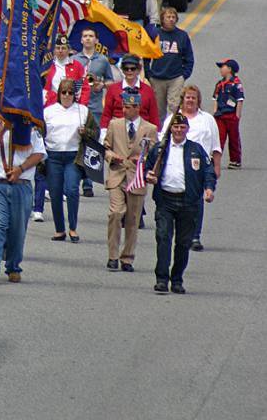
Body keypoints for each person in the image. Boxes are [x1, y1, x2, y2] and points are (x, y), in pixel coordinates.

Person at [145, 113, 216, 294]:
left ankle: (177, 279)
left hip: (188, 201)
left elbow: (208, 171)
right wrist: (148, 175)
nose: (178, 130)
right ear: (171, 129)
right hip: (165, 200)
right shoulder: (160, 149)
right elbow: (147, 167)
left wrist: (209, 188)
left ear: (187, 129)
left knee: (183, 243)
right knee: (163, 238)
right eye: (175, 127)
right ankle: (161, 279)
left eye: (182, 127)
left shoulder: (196, 150)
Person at [0, 117, 46, 283]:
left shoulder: (30, 128)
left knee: (17, 229)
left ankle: (13, 266)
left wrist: (20, 169)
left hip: (21, 185)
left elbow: (39, 154)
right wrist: (3, 130)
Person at [103, 91, 157, 271]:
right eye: (124, 107)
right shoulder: (114, 124)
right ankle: (112, 255)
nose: (125, 111)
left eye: (128, 107)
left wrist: (144, 161)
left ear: (137, 108)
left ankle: (127, 257)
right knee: (116, 213)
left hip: (136, 177)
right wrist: (112, 157)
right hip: (117, 175)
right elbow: (106, 147)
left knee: (132, 219)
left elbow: (155, 155)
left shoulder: (149, 129)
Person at [163, 85, 221, 252]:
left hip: (200, 164)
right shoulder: (173, 118)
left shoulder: (207, 119)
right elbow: (162, 143)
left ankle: (195, 235)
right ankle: (182, 232)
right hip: (177, 163)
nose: (190, 100)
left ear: (198, 100)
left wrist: (216, 166)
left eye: (193, 97)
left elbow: (216, 145)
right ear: (182, 99)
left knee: (196, 200)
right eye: (187, 97)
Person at [43, 78, 98, 243]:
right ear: (59, 94)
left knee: (73, 190)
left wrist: (85, 131)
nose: (67, 96)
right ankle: (60, 229)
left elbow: (95, 132)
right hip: (53, 156)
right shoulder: (49, 111)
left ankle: (73, 227)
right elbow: (40, 132)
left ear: (75, 95)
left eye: (70, 93)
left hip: (73, 156)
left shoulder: (83, 110)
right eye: (64, 92)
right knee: (55, 193)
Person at [72, 27, 114, 197]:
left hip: (95, 106)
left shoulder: (102, 60)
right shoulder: (74, 59)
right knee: (76, 141)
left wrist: (102, 85)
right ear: (81, 40)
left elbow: (112, 80)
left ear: (96, 40)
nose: (88, 39)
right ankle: (75, 176)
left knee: (91, 142)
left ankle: (88, 182)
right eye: (85, 36)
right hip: (77, 106)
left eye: (91, 36)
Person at [146, 7, 194, 122]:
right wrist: (149, 74)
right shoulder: (155, 35)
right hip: (157, 78)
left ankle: (173, 133)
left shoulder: (182, 36)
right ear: (162, 19)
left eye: (173, 17)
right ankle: (159, 135)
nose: (171, 19)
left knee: (175, 107)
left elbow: (189, 58)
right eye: (168, 17)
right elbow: (145, 56)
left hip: (175, 78)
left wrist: (183, 76)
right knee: (158, 110)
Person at [101, 54, 160, 133]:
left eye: (133, 68)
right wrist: (104, 132)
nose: (129, 71)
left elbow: (154, 116)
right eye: (126, 68)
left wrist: (157, 134)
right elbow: (106, 114)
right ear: (122, 69)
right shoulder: (113, 89)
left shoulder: (148, 90)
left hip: (142, 132)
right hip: (117, 131)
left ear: (139, 70)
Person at [213, 58, 244, 169]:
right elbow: (215, 98)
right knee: (218, 137)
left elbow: (240, 100)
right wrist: (215, 112)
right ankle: (215, 158)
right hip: (220, 116)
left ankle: (235, 160)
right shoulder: (219, 84)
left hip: (231, 115)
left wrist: (237, 115)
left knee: (234, 138)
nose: (221, 69)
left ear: (230, 69)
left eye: (223, 67)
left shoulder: (236, 84)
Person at [44, 34, 87, 104]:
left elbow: (85, 88)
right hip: (51, 106)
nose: (60, 51)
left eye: (63, 48)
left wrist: (82, 105)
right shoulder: (47, 66)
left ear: (69, 50)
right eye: (57, 48)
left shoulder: (77, 66)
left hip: (73, 107)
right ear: (54, 50)